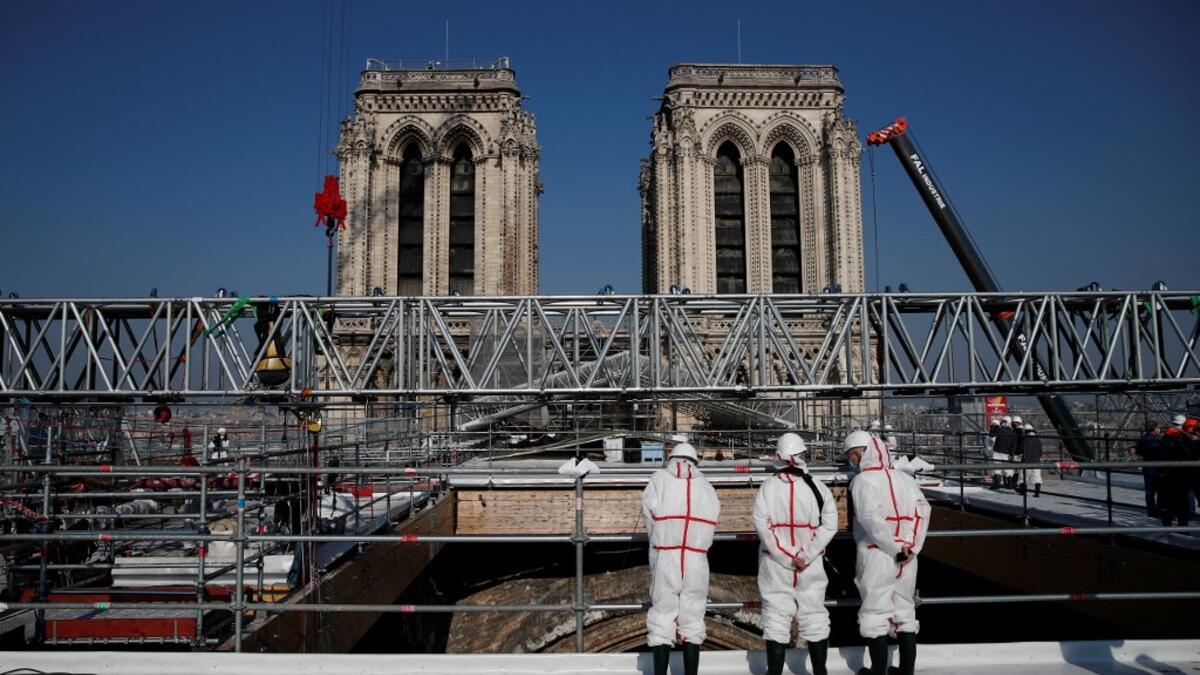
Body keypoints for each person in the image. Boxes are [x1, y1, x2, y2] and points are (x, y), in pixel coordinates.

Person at [845, 430, 932, 675]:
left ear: (862, 453)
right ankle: (906, 670)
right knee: (905, 612)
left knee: (874, 614)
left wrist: (893, 548)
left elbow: (870, 519)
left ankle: (878, 671)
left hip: (877, 555)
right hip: (908, 557)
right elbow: (923, 511)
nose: (852, 461)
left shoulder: (862, 482)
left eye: (853, 455)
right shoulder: (905, 479)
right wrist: (912, 547)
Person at [753, 433, 838, 675]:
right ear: (802, 456)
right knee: (814, 615)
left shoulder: (767, 488)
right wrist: (806, 555)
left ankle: (775, 671)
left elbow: (763, 526)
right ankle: (820, 670)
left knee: (776, 617)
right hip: (809, 565)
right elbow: (830, 524)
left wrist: (786, 556)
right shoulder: (818, 488)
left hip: (775, 564)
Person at [642, 442, 721, 675]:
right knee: (694, 616)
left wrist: (658, 541)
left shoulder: (659, 479)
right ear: (694, 461)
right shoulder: (706, 486)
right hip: (696, 558)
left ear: (672, 458)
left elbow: (648, 512)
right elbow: (714, 515)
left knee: (662, 615)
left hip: (667, 554)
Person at [1131, 422, 1162, 518]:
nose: (1159, 429)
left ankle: (1151, 511)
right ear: (1154, 429)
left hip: (1147, 467)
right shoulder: (1156, 441)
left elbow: (1139, 451)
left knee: (1149, 491)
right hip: (1157, 468)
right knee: (1160, 490)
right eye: (1158, 427)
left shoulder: (1143, 439)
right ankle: (1159, 510)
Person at [992, 416, 1018, 489]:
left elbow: (991, 434)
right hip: (1007, 453)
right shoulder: (1013, 433)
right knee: (1008, 469)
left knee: (997, 469)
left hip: (997, 452)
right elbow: (1013, 446)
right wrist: (1011, 455)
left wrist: (994, 427)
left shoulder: (999, 430)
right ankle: (1009, 484)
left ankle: (997, 484)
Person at [1019, 426, 1043, 497]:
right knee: (1037, 477)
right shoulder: (1038, 440)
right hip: (1036, 461)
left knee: (1024, 477)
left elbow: (1021, 449)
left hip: (1027, 461)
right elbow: (1041, 452)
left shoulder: (1025, 440)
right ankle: (1037, 493)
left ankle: (1023, 491)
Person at [985, 418, 1001, 490]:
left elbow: (989, 443)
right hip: (994, 452)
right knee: (994, 469)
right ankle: (996, 483)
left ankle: (996, 483)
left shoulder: (993, 434)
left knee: (995, 469)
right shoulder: (994, 434)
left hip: (994, 452)